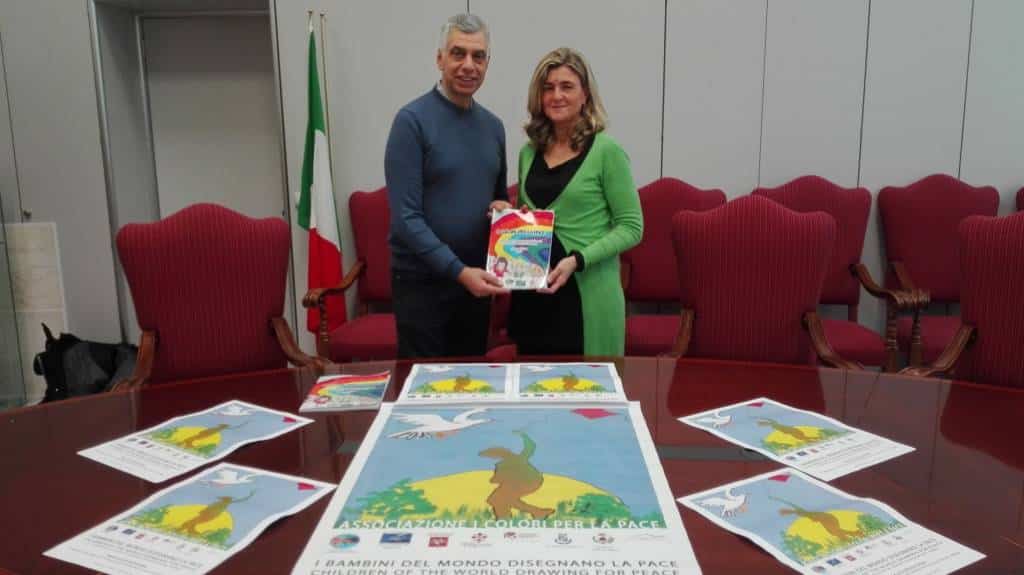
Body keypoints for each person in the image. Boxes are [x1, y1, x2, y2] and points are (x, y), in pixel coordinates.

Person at [385, 14, 509, 358]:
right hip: (422, 285)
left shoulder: (494, 127)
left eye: (478, 56)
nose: (469, 65)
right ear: (440, 59)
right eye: (458, 53)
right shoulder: (411, 122)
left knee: (471, 381)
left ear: (487, 64)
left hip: (476, 283)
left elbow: (498, 198)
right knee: (423, 385)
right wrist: (458, 272)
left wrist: (503, 213)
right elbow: (406, 219)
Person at [504, 47, 642, 356]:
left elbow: (632, 227)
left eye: (567, 86)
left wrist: (577, 260)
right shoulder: (529, 152)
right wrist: (513, 216)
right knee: (534, 384)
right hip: (535, 297)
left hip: (586, 295)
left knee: (587, 386)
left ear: (585, 95)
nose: (557, 96)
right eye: (548, 87)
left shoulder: (607, 151)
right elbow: (532, 218)